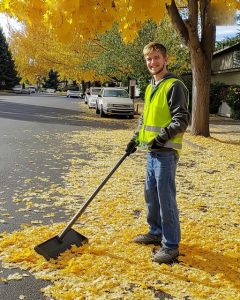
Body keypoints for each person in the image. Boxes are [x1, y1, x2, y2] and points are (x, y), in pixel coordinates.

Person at [125, 42, 189, 264]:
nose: (152, 62)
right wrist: (135, 139)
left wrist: (161, 138)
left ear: (165, 59)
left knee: (165, 197)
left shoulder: (174, 86)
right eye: (149, 59)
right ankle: (155, 232)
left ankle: (171, 246)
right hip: (151, 152)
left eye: (156, 58)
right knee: (151, 195)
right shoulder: (151, 86)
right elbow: (145, 120)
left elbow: (182, 120)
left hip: (166, 152)